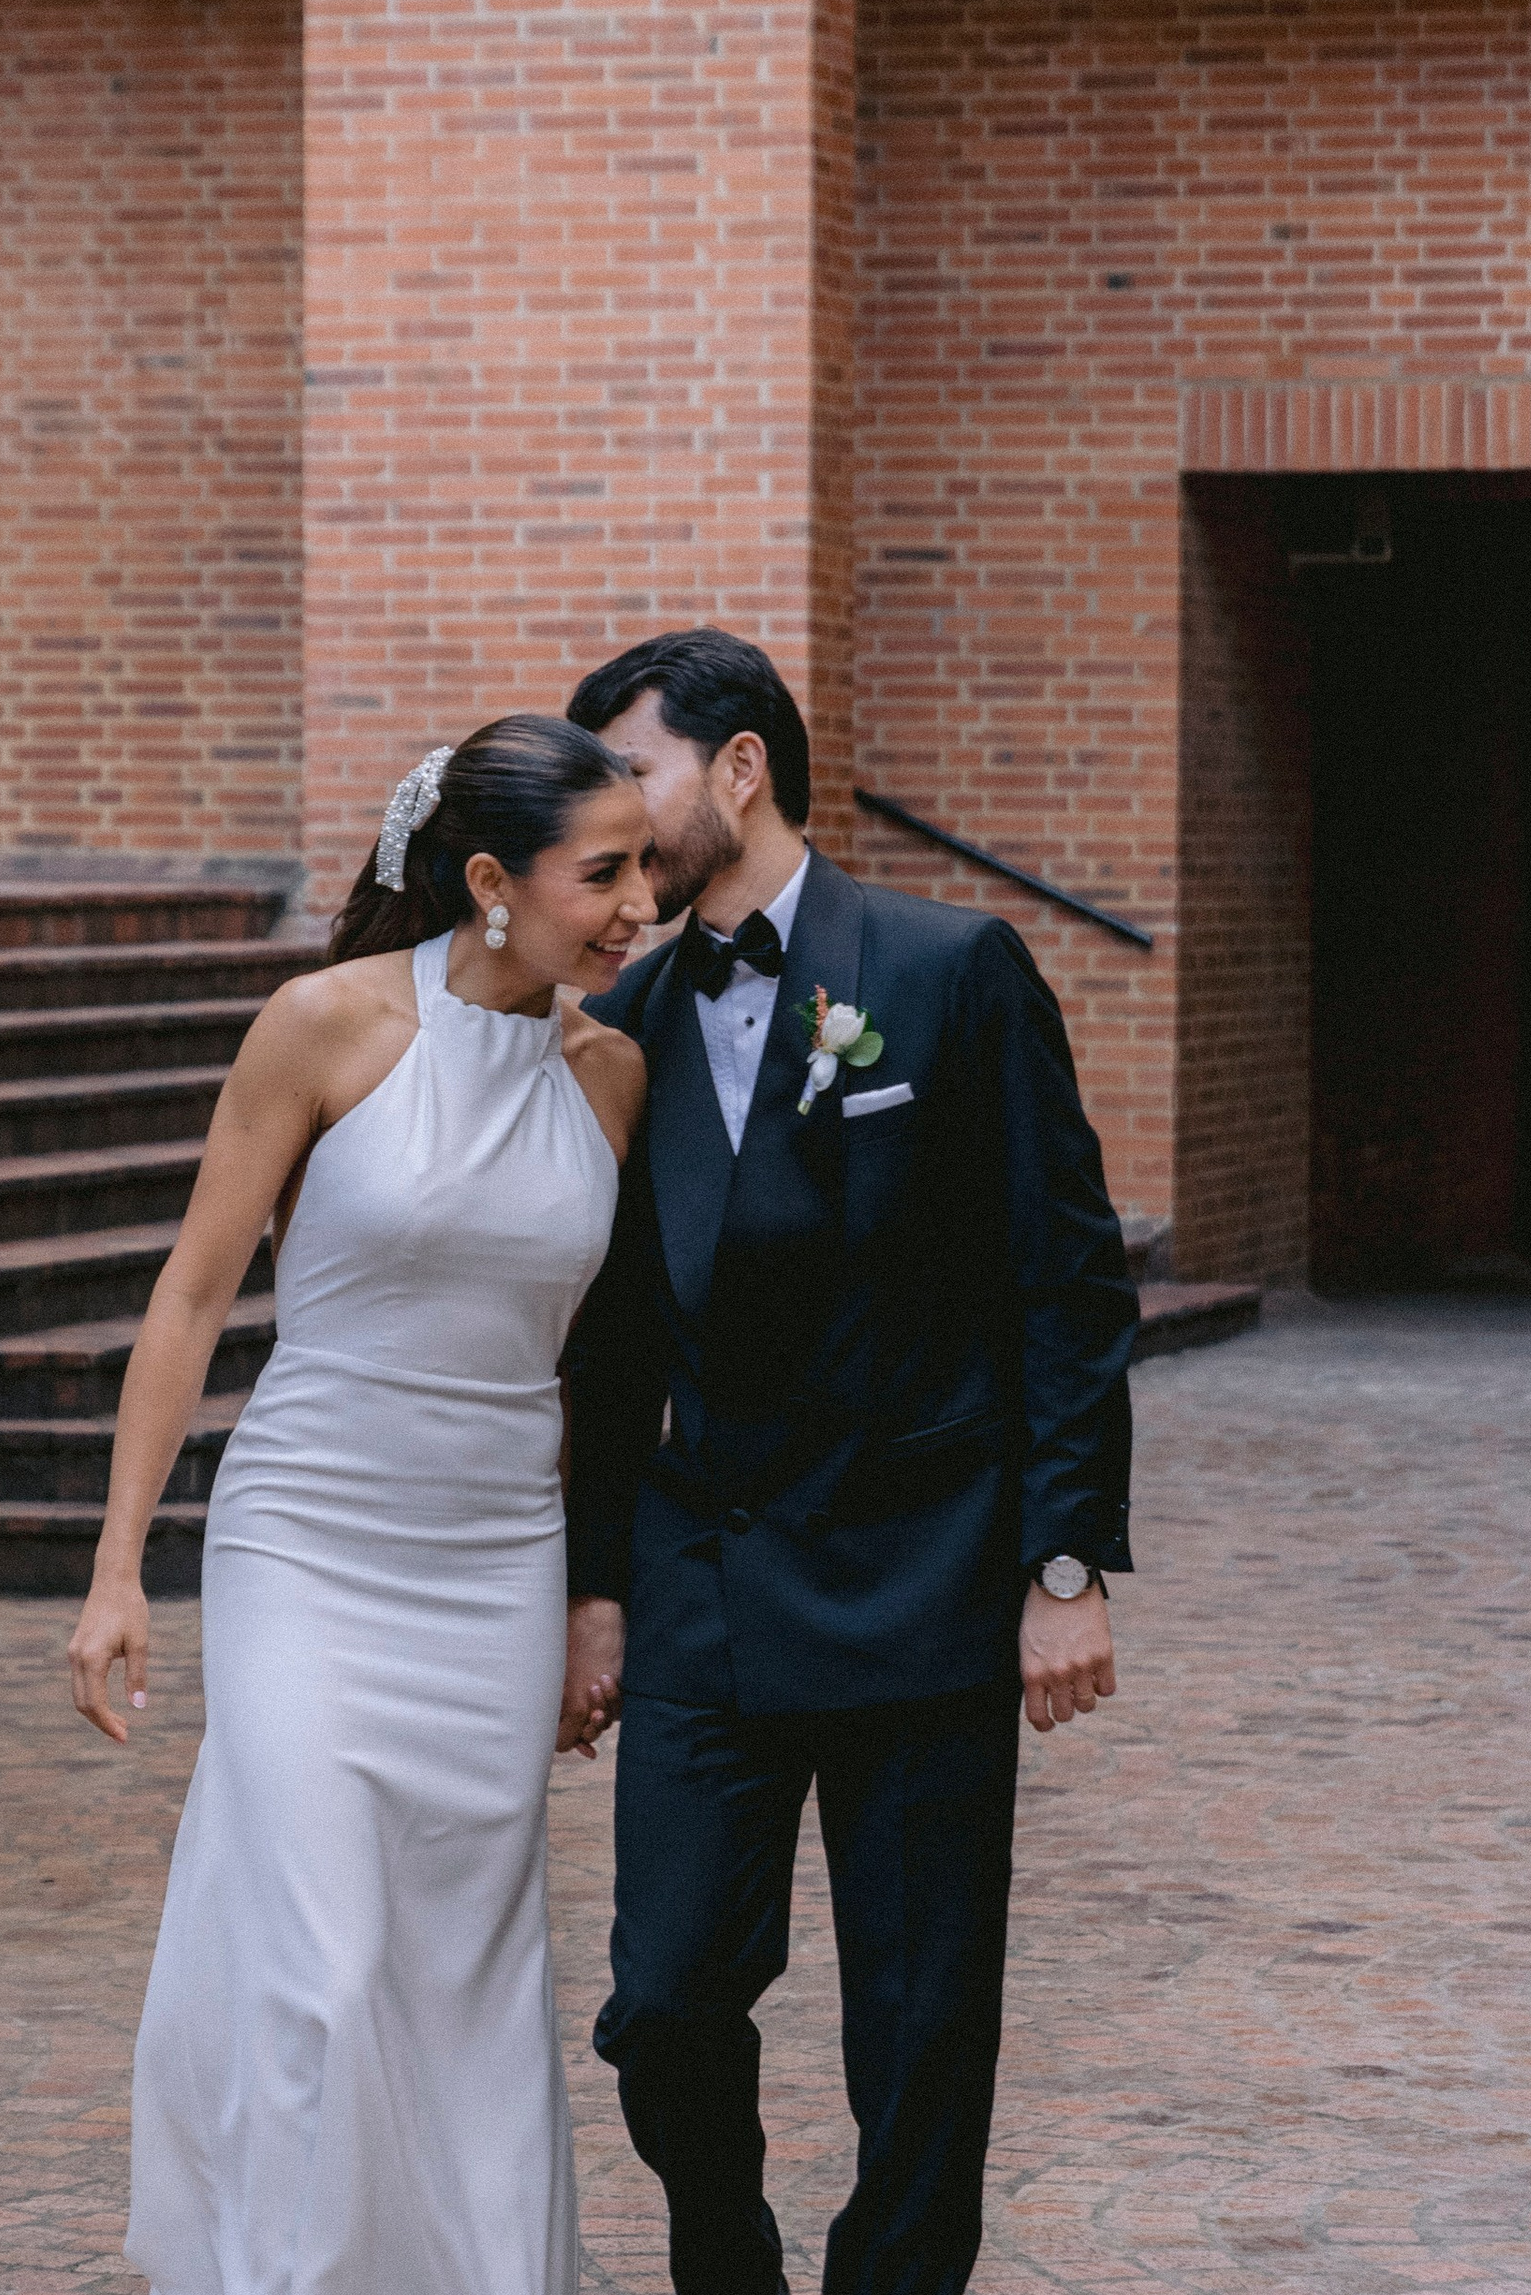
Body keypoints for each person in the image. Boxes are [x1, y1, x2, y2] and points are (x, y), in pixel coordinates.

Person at [560, 628, 1140, 2295]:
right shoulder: (623, 1021)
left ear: (740, 769)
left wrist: (1063, 1564)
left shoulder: (953, 971)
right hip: (705, 1588)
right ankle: (725, 2262)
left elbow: (1067, 1287)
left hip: (928, 1577)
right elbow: (610, 1351)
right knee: (661, 1994)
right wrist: (596, 1589)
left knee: (921, 2028)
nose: (618, 823)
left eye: (637, 776)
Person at [68, 714, 656, 2295]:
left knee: (465, 1974)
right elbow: (190, 1300)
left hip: (495, 1569)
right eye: (602, 874)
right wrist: (120, 1568)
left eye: (645, 868)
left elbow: (607, 1372)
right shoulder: (319, 1028)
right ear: (489, 881)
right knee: (320, 1966)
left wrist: (596, 1591)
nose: (636, 906)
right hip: (308, 1542)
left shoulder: (613, 1073)